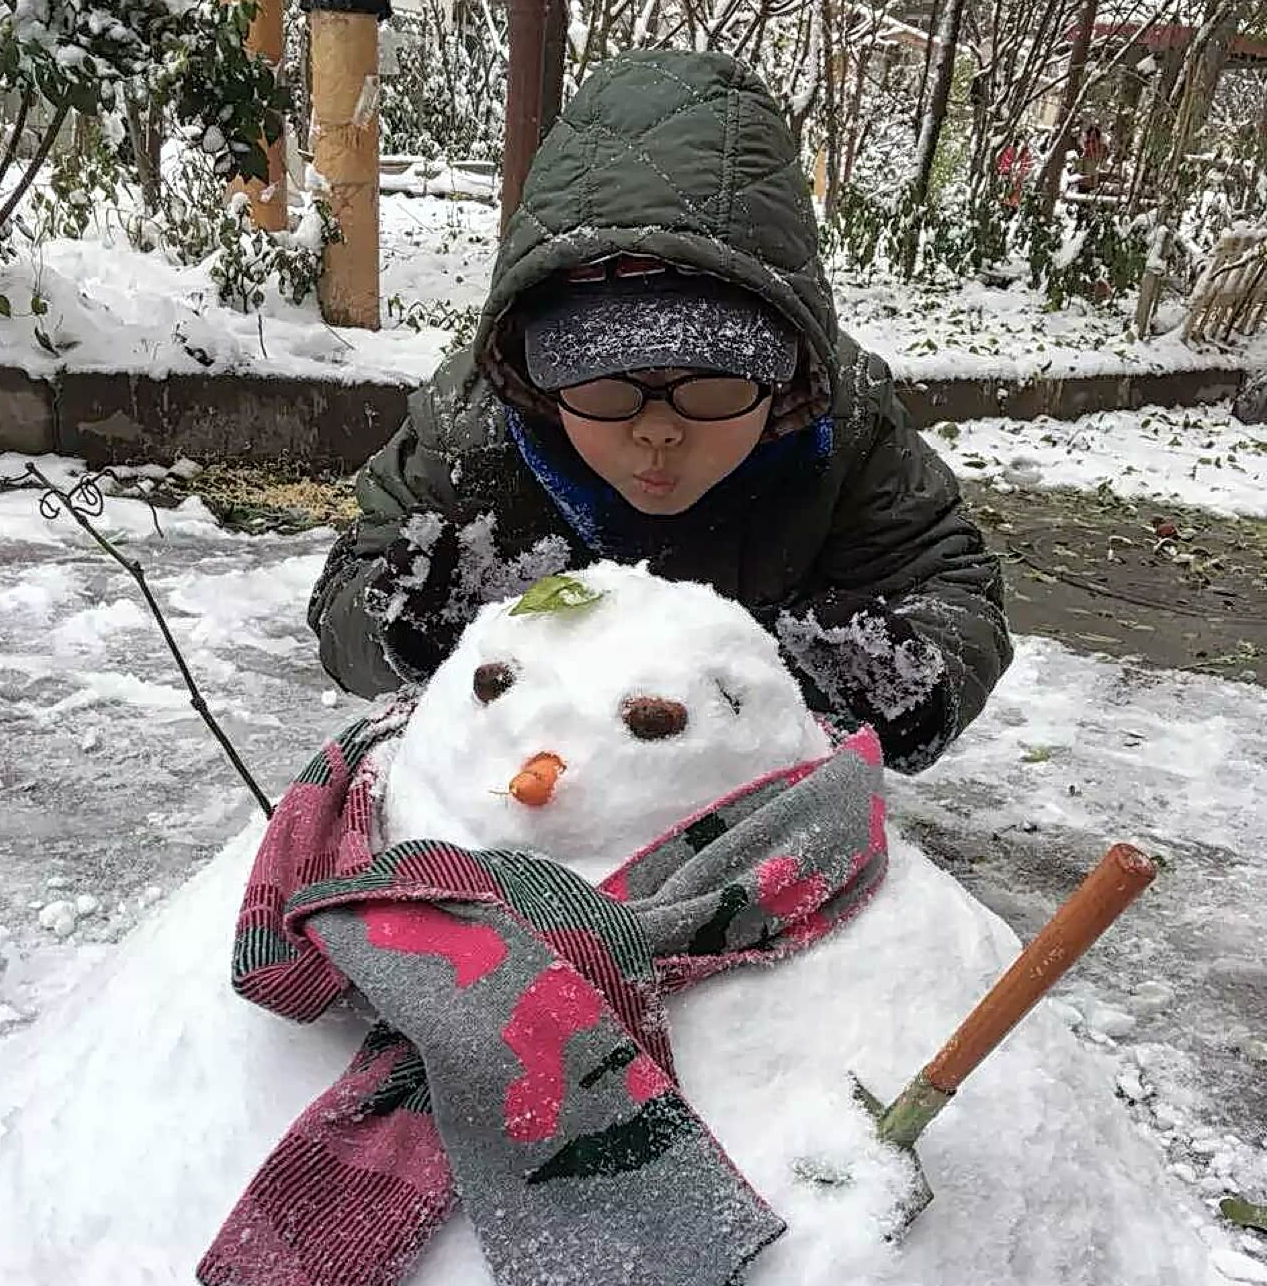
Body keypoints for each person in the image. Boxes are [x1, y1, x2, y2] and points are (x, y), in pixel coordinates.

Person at [309, 48, 1012, 774]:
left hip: (750, 788)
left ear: (784, 372)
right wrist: (398, 626)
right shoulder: (472, 428)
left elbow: (950, 585)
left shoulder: (843, 427)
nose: (657, 431)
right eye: (602, 382)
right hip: (521, 783)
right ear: (538, 369)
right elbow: (344, 599)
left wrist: (917, 684)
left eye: (712, 385)